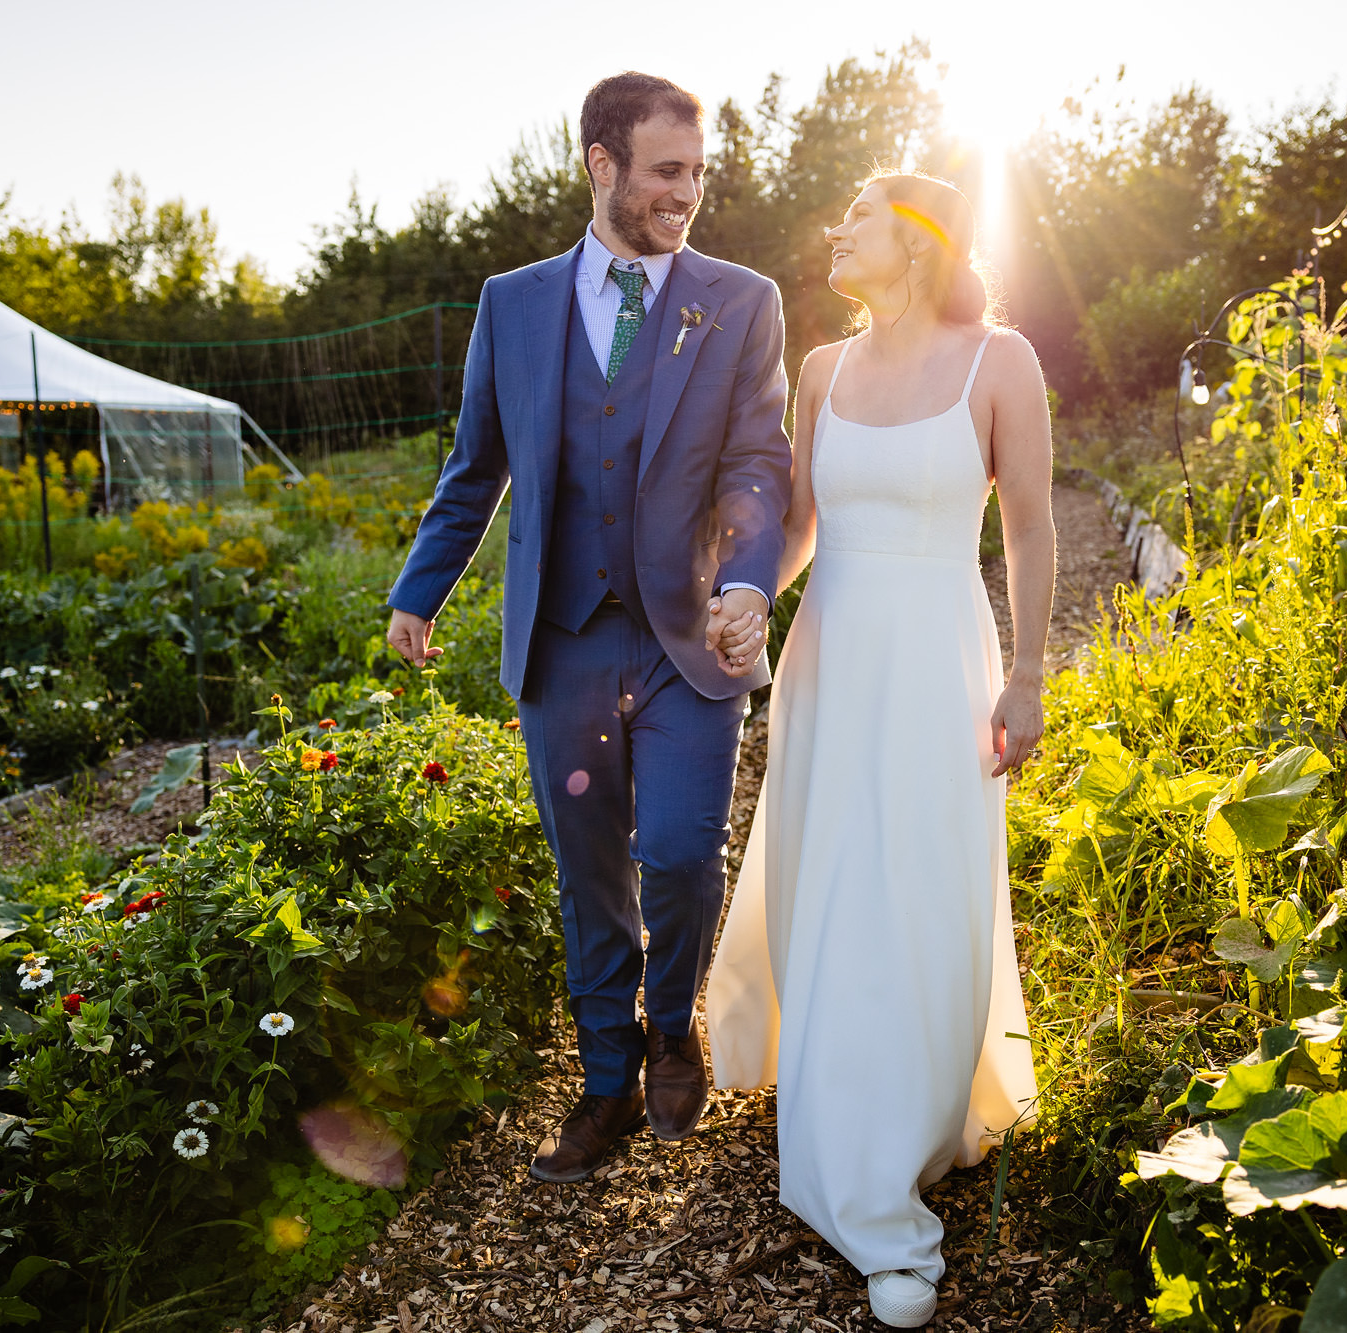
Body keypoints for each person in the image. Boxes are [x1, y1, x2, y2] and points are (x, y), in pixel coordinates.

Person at [385, 72, 792, 1184]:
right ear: (600, 164)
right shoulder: (512, 304)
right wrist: (420, 590)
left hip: (684, 638)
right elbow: (475, 466)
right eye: (666, 171)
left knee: (673, 852)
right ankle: (605, 1079)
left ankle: (673, 1024)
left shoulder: (740, 299)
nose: (687, 193)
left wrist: (749, 582)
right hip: (562, 639)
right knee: (588, 874)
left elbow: (760, 461)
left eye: (698, 172)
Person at [703, 170, 1053, 1329]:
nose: (832, 229)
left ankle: (899, 1145)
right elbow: (803, 523)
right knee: (842, 892)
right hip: (833, 660)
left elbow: (1030, 527)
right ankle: (856, 1157)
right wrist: (753, 591)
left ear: (914, 240)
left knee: (918, 893)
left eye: (852, 215)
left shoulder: (998, 360)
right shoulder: (821, 370)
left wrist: (1027, 675)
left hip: (938, 660)